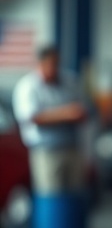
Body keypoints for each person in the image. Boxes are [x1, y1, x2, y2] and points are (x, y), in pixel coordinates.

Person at [12, 45, 90, 199]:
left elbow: (83, 111)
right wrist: (67, 113)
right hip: (46, 152)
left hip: (72, 147)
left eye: (56, 63)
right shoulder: (28, 86)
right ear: (40, 64)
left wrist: (68, 114)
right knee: (51, 198)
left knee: (75, 196)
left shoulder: (70, 81)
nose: (54, 68)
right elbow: (33, 117)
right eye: (50, 64)